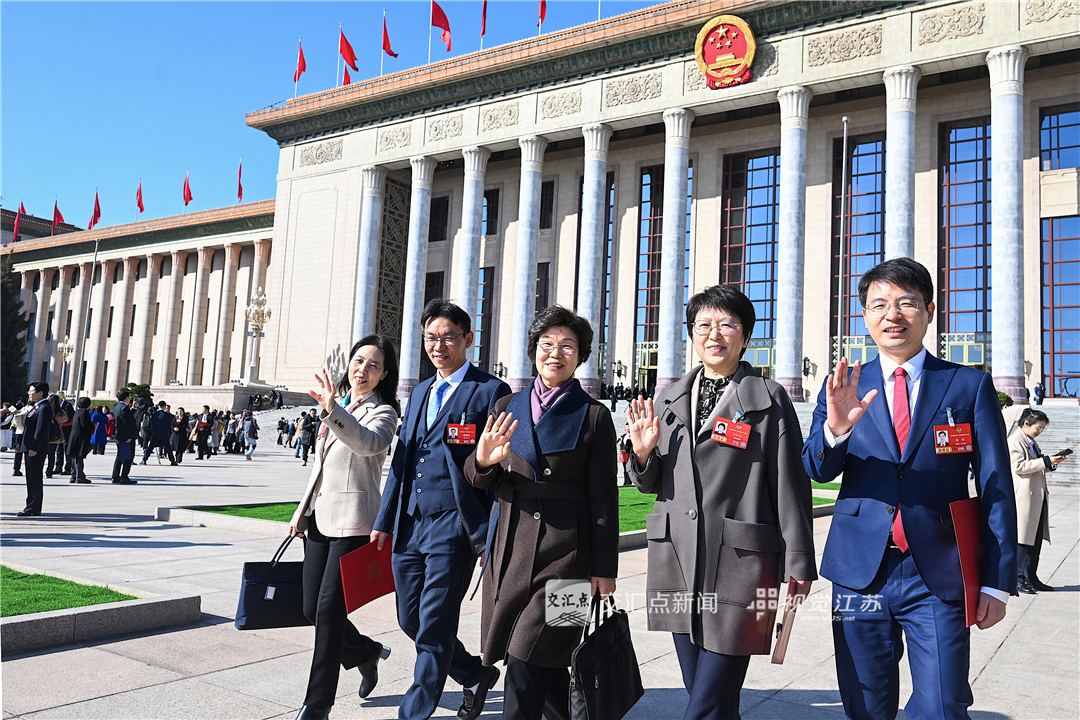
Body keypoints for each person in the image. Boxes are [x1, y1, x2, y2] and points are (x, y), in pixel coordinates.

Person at [802, 257, 1016, 720]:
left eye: (906, 303)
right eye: (879, 304)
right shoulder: (843, 386)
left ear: (929, 311)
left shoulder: (967, 385)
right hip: (860, 569)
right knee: (865, 705)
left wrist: (998, 582)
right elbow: (817, 470)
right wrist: (836, 430)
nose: (892, 315)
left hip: (938, 572)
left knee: (944, 704)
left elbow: (996, 485)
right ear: (864, 315)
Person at [625, 285, 816, 720]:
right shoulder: (668, 399)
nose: (714, 334)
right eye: (703, 325)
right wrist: (642, 454)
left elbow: (790, 483)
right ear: (691, 334)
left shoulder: (769, 398)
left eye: (727, 325)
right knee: (709, 697)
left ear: (745, 336)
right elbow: (651, 484)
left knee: (706, 704)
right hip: (676, 560)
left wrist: (799, 562)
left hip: (741, 564)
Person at [465, 306, 619, 720]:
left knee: (527, 659)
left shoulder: (594, 415)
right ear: (534, 350)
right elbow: (477, 477)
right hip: (511, 551)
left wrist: (604, 568)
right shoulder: (506, 404)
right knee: (546, 665)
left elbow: (605, 499)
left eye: (568, 346)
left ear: (580, 356)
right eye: (547, 344)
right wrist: (482, 461)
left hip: (570, 557)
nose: (556, 353)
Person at [371, 299, 509, 720]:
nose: (438, 345)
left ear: (468, 339)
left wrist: (488, 535)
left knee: (434, 622)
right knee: (410, 618)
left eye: (448, 337)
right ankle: (474, 673)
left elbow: (498, 470)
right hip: (410, 522)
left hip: (455, 522)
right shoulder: (419, 392)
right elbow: (403, 460)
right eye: (431, 337)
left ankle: (414, 712)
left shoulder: (489, 391)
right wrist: (385, 520)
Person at [288, 335, 401, 720]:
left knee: (329, 611)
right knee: (311, 609)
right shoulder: (337, 406)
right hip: (320, 519)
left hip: (354, 523)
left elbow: (368, 444)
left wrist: (332, 409)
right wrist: (301, 513)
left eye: (373, 365)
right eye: (358, 361)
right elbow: (321, 468)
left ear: (384, 374)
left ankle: (318, 704)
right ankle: (366, 652)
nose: (362, 369)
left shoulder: (383, 412)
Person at [1008, 408, 1066, 594]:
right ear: (1026, 424)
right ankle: (1019, 580)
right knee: (1024, 541)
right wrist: (1045, 461)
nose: (1040, 431)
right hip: (1025, 498)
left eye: (1042, 428)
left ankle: (1032, 578)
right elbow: (1018, 466)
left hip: (1036, 498)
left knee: (1035, 540)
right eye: (1038, 428)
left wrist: (1051, 462)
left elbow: (1036, 465)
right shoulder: (1015, 441)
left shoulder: (1030, 441)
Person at [17, 382, 53, 516]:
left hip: (35, 449)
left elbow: (40, 430)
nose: (29, 394)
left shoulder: (44, 408)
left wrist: (34, 447)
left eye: (32, 391)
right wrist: (21, 444)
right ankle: (32, 506)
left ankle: (33, 507)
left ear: (40, 393)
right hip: (29, 447)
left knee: (34, 478)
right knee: (31, 478)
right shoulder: (37, 407)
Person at [112, 389, 137, 485]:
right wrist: (129, 436)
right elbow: (126, 423)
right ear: (126, 398)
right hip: (126, 436)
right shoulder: (125, 408)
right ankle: (124, 477)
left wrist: (133, 408)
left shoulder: (118, 407)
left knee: (119, 456)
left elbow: (126, 418)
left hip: (119, 435)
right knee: (128, 457)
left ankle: (116, 476)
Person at [66, 397, 94, 484]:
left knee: (74, 456)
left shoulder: (77, 411)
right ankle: (79, 476)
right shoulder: (84, 412)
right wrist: (93, 426)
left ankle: (73, 475)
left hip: (74, 436)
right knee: (79, 456)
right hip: (81, 437)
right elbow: (85, 424)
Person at [45, 394, 67, 478]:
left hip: (45, 434)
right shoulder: (59, 412)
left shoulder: (46, 410)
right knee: (52, 454)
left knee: (43, 454)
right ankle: (49, 471)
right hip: (55, 435)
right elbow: (65, 419)